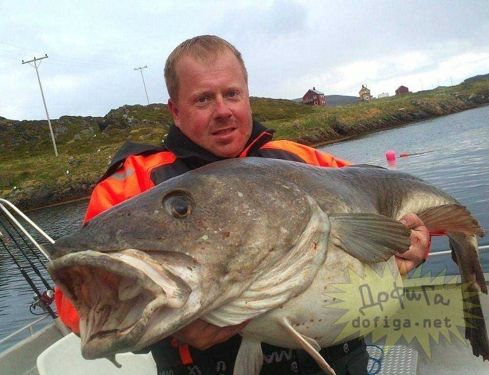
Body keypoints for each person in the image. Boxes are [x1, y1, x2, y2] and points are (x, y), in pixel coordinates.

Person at [55, 35, 430, 375]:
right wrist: (177, 331)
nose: (222, 110)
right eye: (203, 98)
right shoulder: (133, 182)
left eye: (232, 94)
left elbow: (389, 200)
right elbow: (77, 297)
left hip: (336, 360)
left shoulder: (298, 159)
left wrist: (415, 240)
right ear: (174, 110)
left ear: (247, 95)